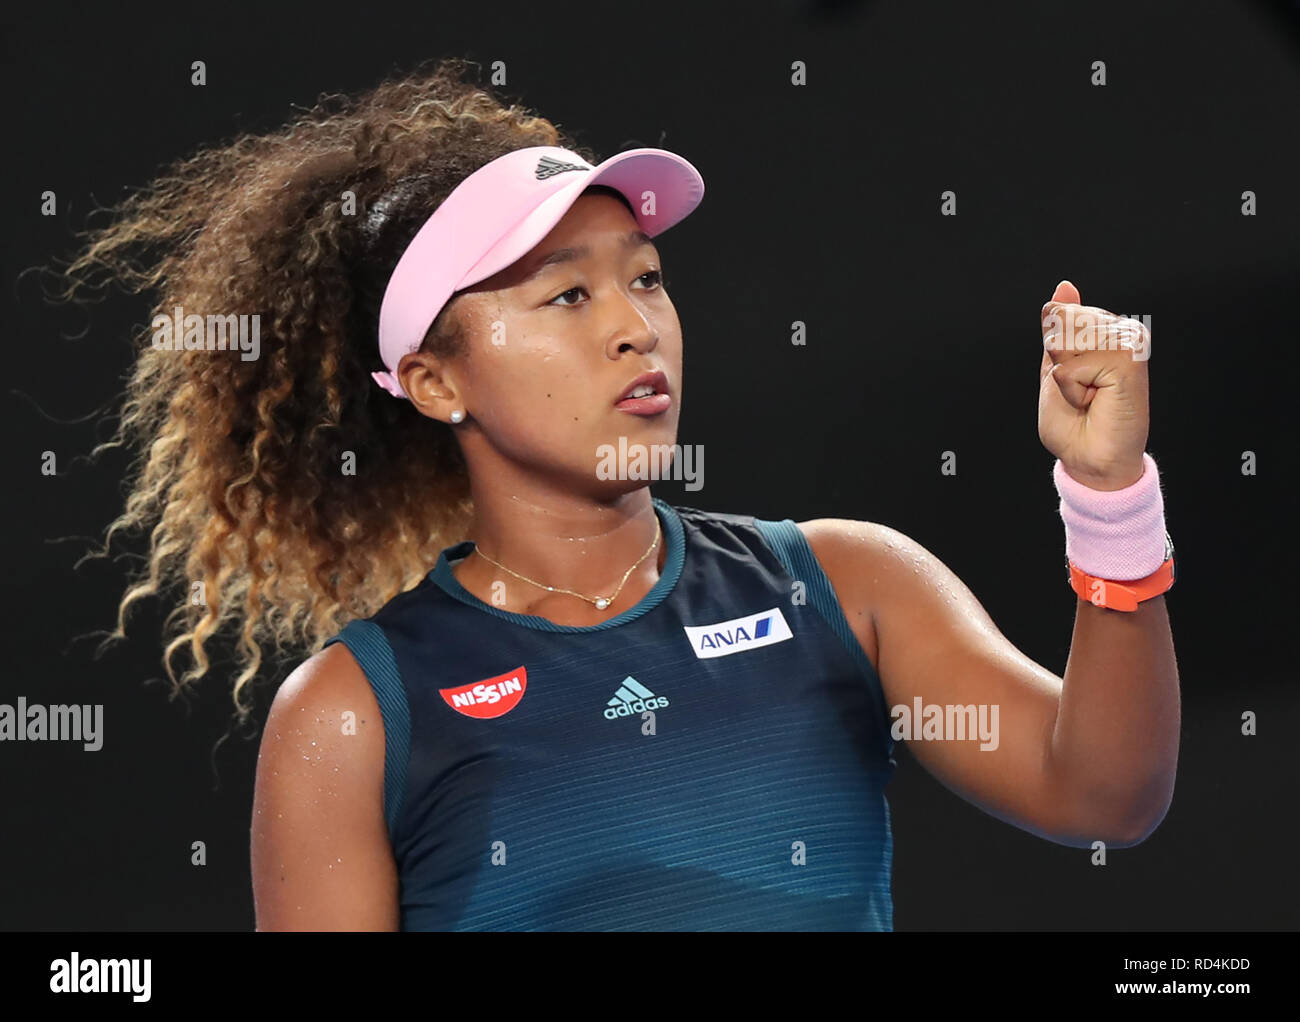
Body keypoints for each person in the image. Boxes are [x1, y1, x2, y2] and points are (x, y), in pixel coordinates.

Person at [66, 58, 1179, 931]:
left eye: (645, 276)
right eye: (566, 295)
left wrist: (1108, 491)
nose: (634, 326)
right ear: (436, 380)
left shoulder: (847, 582)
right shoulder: (351, 714)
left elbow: (1105, 796)